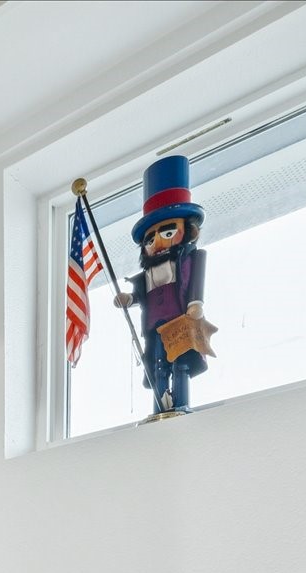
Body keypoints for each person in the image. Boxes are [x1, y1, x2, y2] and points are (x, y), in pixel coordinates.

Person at [113, 155, 214, 416]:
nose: (157, 242)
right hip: (154, 325)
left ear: (187, 230)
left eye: (167, 233)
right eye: (150, 239)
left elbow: (194, 284)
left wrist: (195, 304)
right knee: (158, 364)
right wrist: (129, 299)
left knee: (180, 360)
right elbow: (141, 295)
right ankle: (160, 405)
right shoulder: (147, 273)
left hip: (178, 322)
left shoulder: (190, 261)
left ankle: (180, 401)